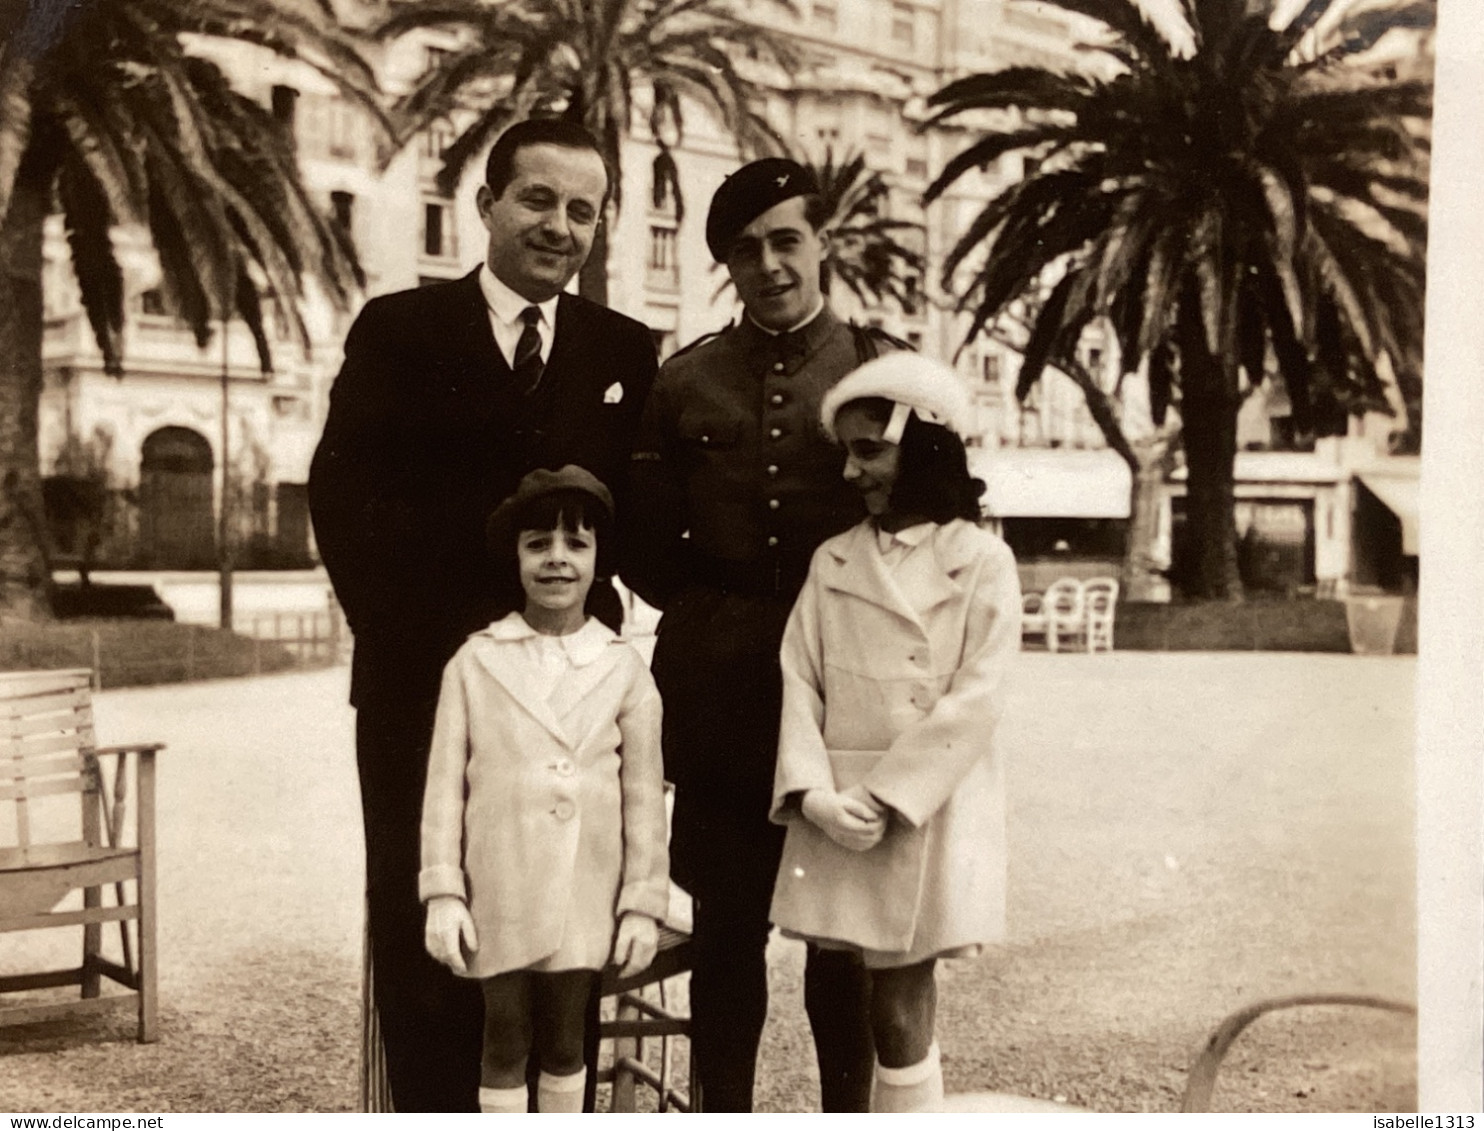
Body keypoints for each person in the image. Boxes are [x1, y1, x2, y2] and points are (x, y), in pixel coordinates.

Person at [307, 118, 658, 1112]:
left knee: (559, 923)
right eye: (538, 200)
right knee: (430, 917)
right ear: (487, 204)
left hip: (565, 709)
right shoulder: (399, 331)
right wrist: (407, 635)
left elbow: (631, 527)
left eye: (582, 210)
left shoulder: (621, 349)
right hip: (422, 686)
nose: (558, 226)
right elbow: (340, 497)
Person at [622, 157, 905, 1112]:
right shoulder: (685, 381)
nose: (771, 264)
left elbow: (921, 525)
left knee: (840, 937)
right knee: (728, 933)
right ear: (726, 268)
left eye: (788, 239)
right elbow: (648, 548)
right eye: (746, 250)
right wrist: (722, 614)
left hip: (845, 684)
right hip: (723, 688)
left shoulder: (880, 366)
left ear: (823, 242)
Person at [768, 352, 1021, 1113]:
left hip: (923, 811)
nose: (851, 472)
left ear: (925, 445)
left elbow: (977, 697)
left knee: (902, 1006)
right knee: (856, 1003)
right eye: (847, 451)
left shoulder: (981, 561)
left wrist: (887, 796)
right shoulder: (833, 560)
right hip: (838, 809)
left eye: (869, 449)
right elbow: (799, 678)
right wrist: (812, 792)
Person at [420, 466, 669, 1114]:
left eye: (576, 544)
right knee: (504, 1034)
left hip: (586, 883)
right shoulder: (476, 659)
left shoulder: (623, 667)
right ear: (516, 555)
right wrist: (443, 890)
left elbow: (643, 798)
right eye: (538, 543)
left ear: (598, 559)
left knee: (565, 1037)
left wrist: (642, 901)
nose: (556, 559)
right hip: (499, 880)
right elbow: (443, 786)